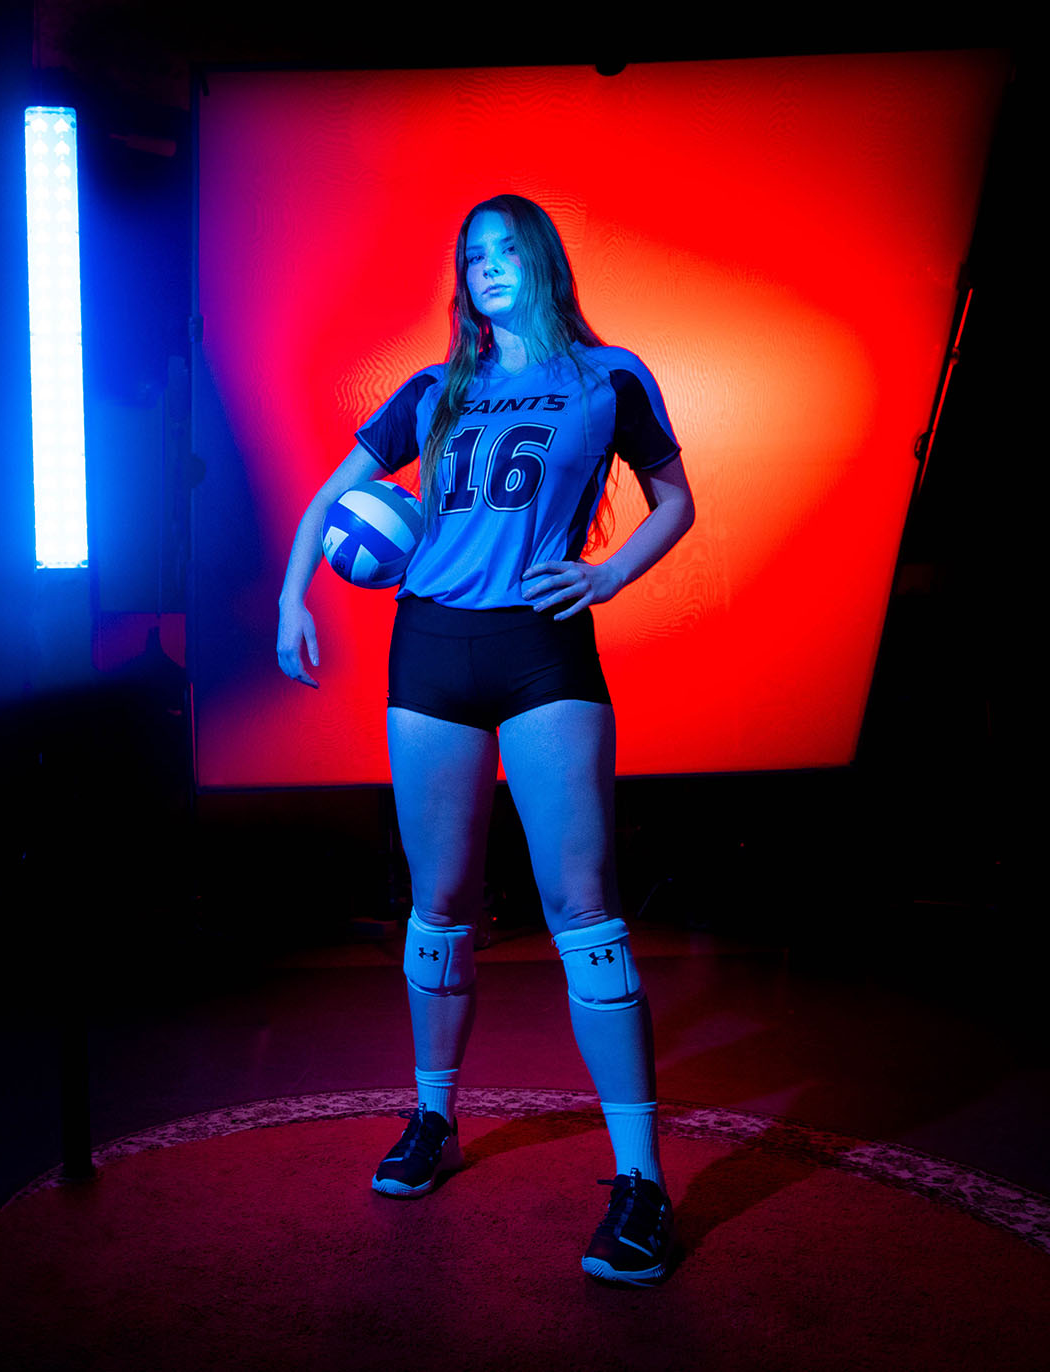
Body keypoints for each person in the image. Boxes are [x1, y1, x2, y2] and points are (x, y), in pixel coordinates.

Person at [275, 193, 696, 1285]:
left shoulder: (609, 378)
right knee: (441, 901)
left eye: (505, 249)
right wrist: (291, 599)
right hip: (430, 653)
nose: (486, 266)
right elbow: (334, 496)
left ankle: (641, 1183)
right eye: (470, 256)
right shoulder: (434, 389)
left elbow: (673, 500)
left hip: (543, 652)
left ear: (542, 260)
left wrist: (606, 572)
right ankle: (432, 1118)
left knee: (580, 906)